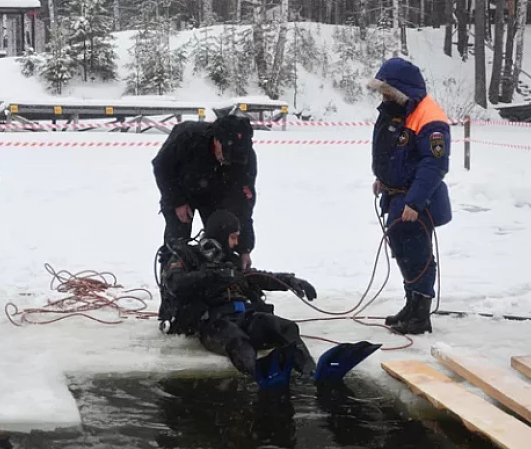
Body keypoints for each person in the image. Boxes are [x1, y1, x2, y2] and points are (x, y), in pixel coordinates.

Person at [160, 210, 381, 390]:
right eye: (233, 237)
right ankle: (259, 374)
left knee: (283, 327)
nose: (236, 243)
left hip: (242, 315)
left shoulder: (231, 260)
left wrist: (289, 281)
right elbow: (175, 284)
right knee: (238, 340)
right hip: (212, 323)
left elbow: (257, 277)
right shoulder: (187, 257)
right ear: (220, 236)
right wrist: (214, 276)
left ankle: (310, 371)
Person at [367, 57, 452, 335]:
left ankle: (421, 313)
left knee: (418, 253)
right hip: (396, 195)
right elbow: (393, 152)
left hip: (418, 199)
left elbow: (434, 164)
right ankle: (411, 303)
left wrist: (415, 201)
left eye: (388, 91)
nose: (384, 96)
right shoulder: (397, 110)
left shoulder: (430, 117)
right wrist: (383, 178)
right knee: (402, 250)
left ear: (402, 89)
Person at [152, 114, 257, 273]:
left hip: (215, 195)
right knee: (177, 243)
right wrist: (177, 201)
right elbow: (161, 166)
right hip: (180, 188)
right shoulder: (188, 137)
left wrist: (244, 249)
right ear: (216, 140)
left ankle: (217, 285)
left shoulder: (245, 157)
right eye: (226, 157)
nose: (228, 163)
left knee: (222, 237)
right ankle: (171, 287)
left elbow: (243, 205)